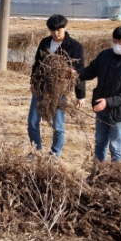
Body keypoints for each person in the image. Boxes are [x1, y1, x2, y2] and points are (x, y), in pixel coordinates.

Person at [77, 26, 121, 162]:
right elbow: (91, 71)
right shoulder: (105, 55)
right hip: (101, 107)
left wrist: (108, 102)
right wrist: (75, 74)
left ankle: (116, 176)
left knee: (115, 146)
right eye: (115, 41)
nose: (117, 45)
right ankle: (97, 173)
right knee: (100, 142)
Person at [27, 14, 85, 158]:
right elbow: (37, 64)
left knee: (58, 125)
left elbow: (80, 71)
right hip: (41, 88)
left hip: (60, 90)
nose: (56, 34)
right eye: (52, 30)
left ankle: (55, 154)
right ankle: (36, 151)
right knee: (32, 122)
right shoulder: (45, 43)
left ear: (65, 28)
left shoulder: (74, 46)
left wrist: (81, 95)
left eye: (59, 30)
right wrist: (33, 82)